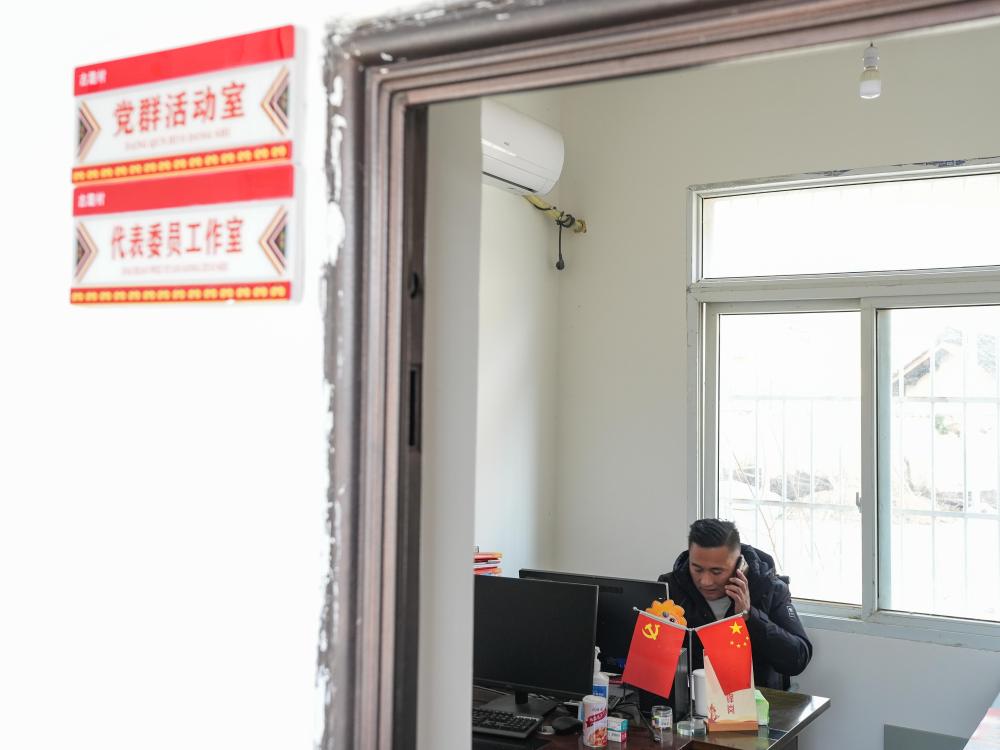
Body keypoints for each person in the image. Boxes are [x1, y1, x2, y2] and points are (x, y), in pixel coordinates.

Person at [658, 519, 812, 690]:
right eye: (697, 569)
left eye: (717, 571)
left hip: (755, 701)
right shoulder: (670, 588)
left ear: (740, 565)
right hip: (690, 700)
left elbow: (798, 658)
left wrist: (750, 616)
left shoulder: (770, 589)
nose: (705, 581)